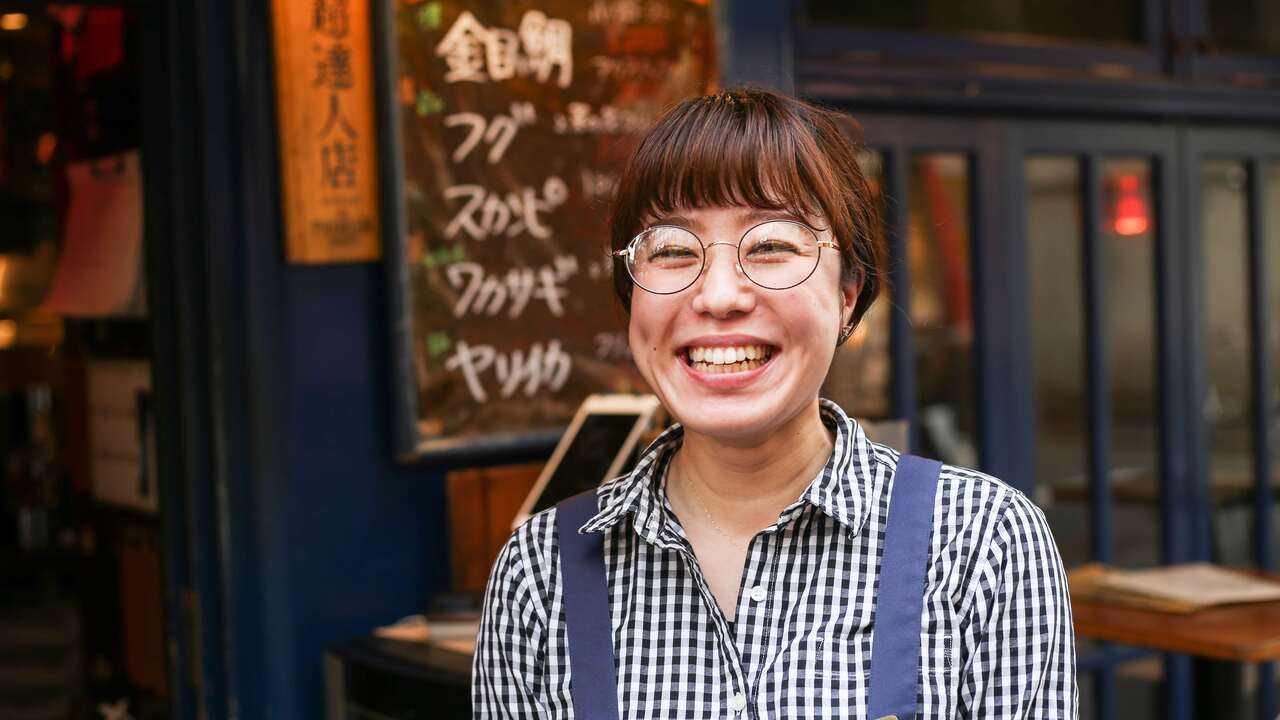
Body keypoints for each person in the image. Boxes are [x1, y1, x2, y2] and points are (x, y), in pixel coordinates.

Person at [473, 88, 1077, 719]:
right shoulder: (541, 576)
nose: (720, 296)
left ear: (848, 294)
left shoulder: (983, 545)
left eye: (770, 246)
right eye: (674, 250)